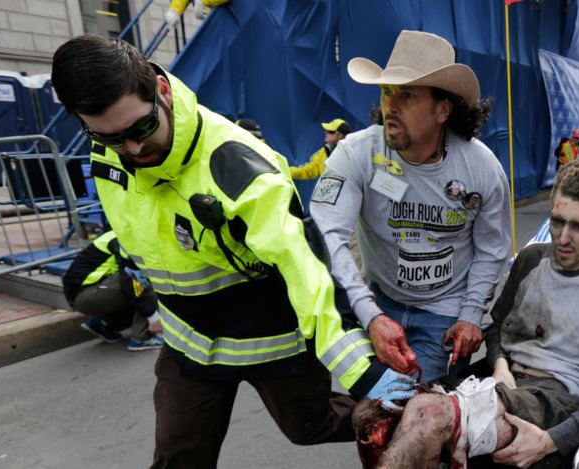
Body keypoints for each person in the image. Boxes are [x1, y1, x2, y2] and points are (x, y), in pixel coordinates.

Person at [51, 34, 416, 468]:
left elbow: (306, 269)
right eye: (109, 137)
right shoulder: (108, 152)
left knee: (309, 427)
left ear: (162, 91)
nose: (131, 150)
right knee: (178, 456)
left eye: (141, 129)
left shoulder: (235, 166)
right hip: (190, 342)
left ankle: (410, 419)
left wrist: (363, 373)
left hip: (271, 339)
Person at [360, 159, 579, 469]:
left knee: (428, 414)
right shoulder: (531, 260)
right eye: (557, 221)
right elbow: (498, 326)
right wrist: (500, 365)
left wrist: (551, 441)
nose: (563, 238)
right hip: (502, 377)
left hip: (558, 395)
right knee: (371, 415)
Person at [309, 30, 512, 385]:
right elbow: (327, 237)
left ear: (442, 110)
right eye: (387, 92)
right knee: (375, 415)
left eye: (407, 95)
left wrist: (468, 316)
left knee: (417, 417)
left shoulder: (482, 169)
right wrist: (370, 315)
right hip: (376, 301)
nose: (392, 106)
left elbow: (492, 249)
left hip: (445, 314)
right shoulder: (356, 154)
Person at [63, 230, 164, 351]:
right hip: (87, 295)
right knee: (143, 280)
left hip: (83, 295)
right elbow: (132, 281)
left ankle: (105, 324)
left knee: (134, 286)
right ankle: (142, 338)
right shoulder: (126, 240)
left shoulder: (121, 232)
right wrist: (153, 318)